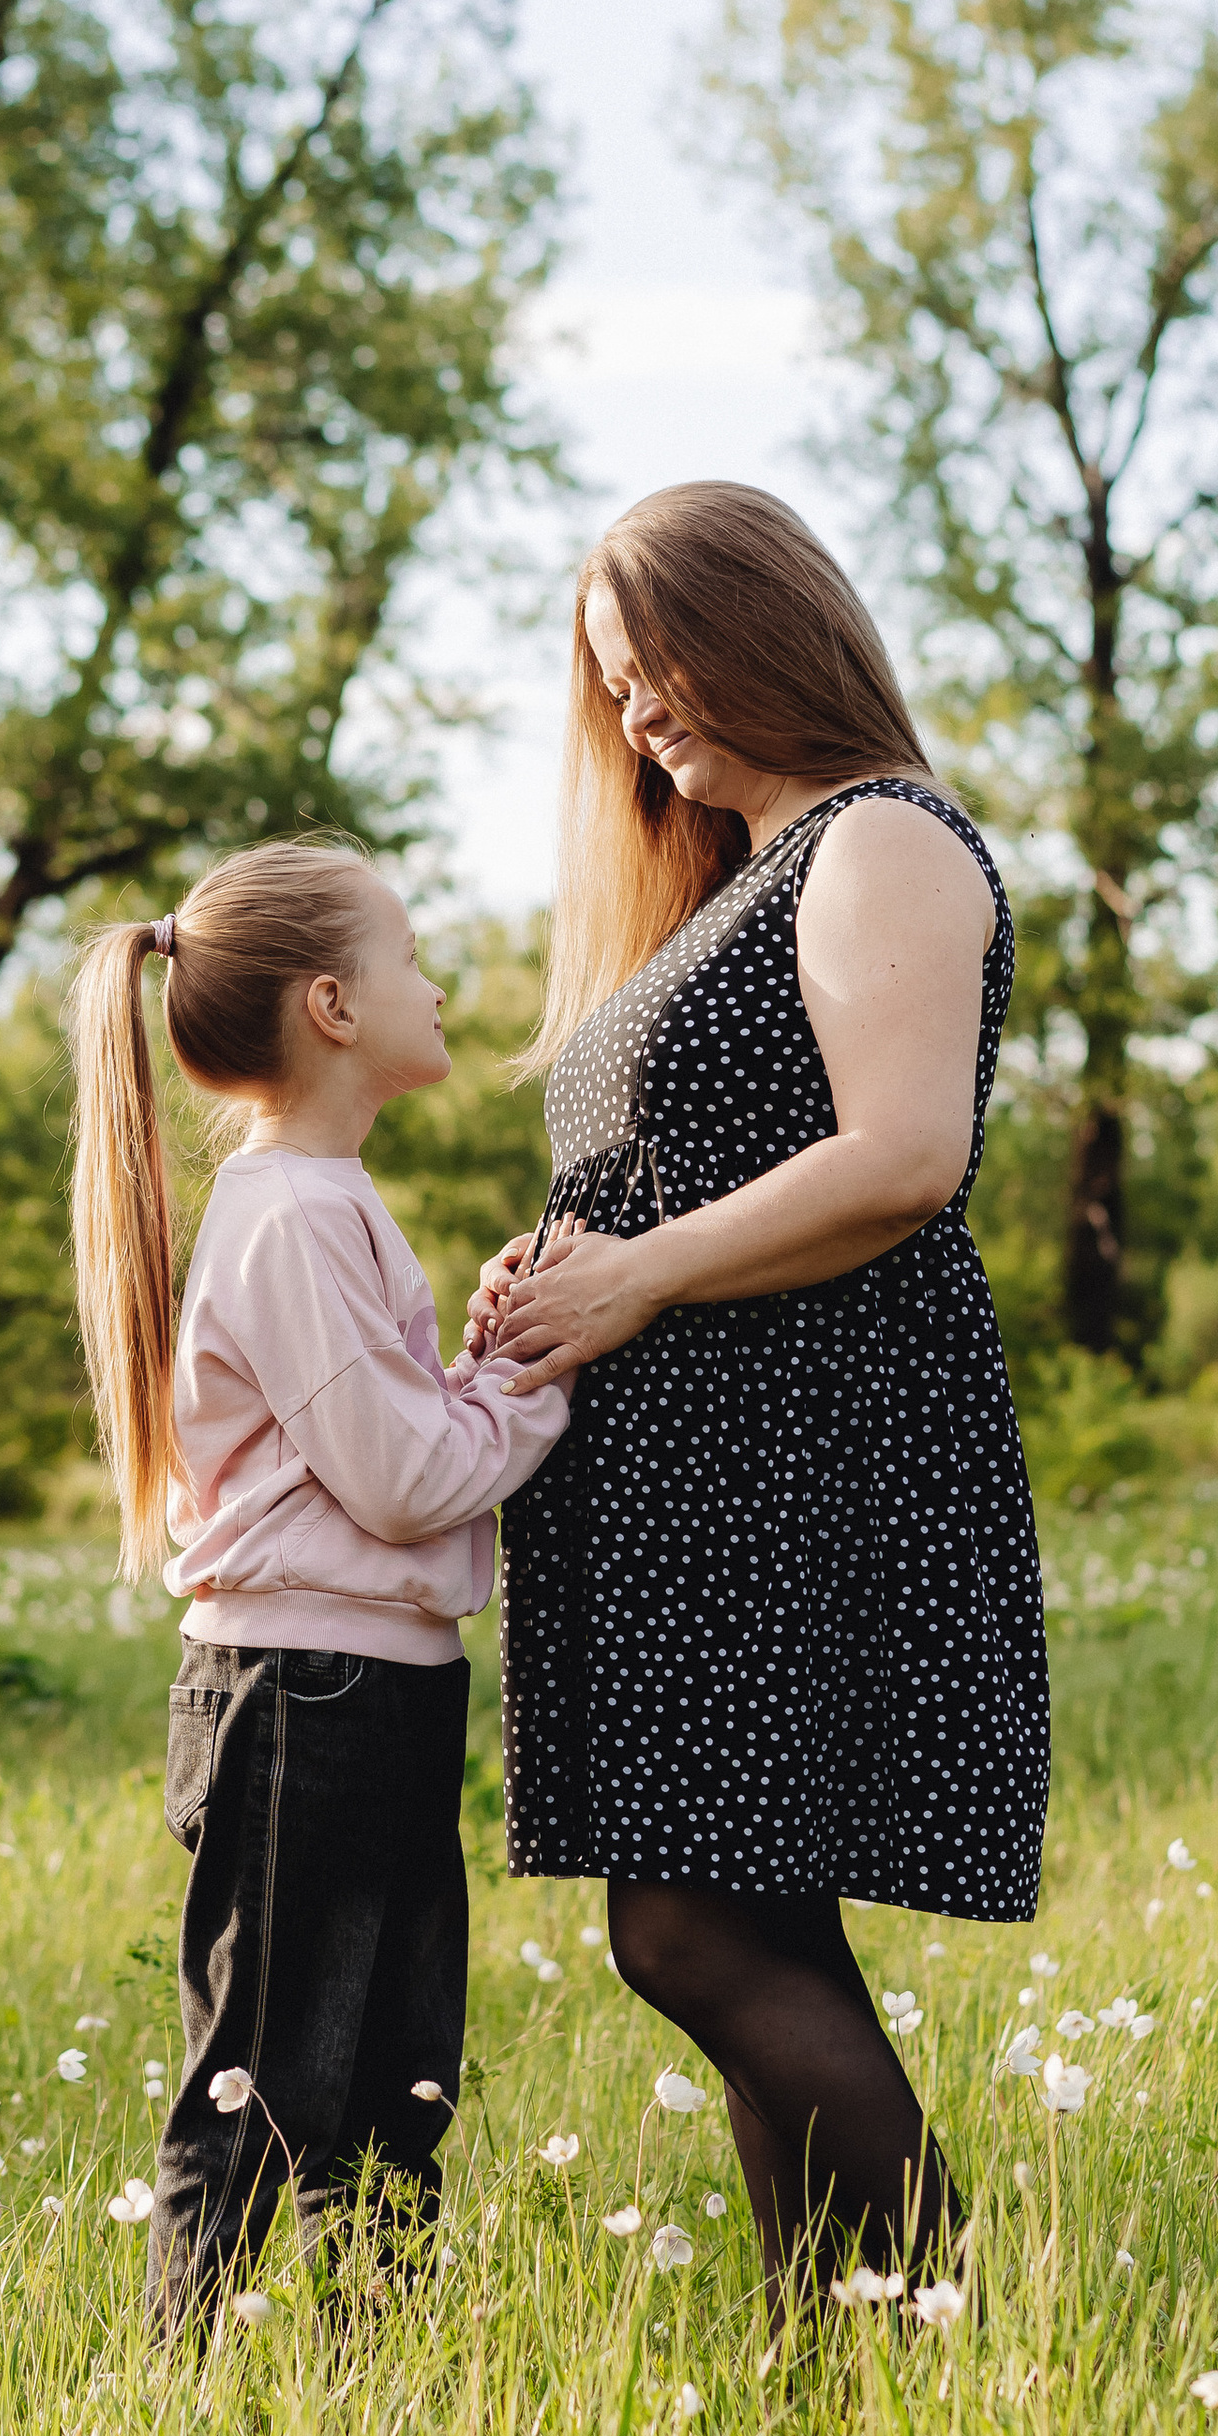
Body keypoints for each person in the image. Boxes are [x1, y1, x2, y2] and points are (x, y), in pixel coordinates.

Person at [481, 481, 1049, 2317]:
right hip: (695, 1467)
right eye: (612, 686)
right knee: (743, 1916)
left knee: (692, 1927)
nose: (637, 713)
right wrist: (558, 1259)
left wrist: (632, 1270)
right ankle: (848, 2371)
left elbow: (903, 1158)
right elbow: (698, 1157)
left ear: (763, 629)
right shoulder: (737, 883)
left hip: (795, 1462)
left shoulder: (880, 841)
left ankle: (939, 2327)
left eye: (655, 668)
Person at [69, 841, 571, 2333]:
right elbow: (408, 1478)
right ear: (336, 1005)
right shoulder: (286, 1216)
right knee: (257, 2087)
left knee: (396, 2083)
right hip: (303, 1703)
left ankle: (370, 2412)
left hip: (379, 1694)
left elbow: (398, 1437)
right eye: (411, 955)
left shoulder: (329, 1202)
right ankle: (178, 2407)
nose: (440, 983)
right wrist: (542, 1372)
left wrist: (481, 1362)